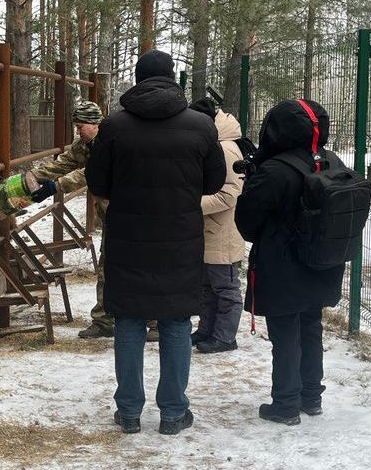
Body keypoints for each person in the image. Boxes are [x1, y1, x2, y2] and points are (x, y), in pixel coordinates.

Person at [85, 49, 225, 435]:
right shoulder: (200, 125)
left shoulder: (113, 126)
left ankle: (129, 411)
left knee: (128, 320)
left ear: (137, 78)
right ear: (174, 81)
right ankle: (173, 412)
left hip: (128, 239)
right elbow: (214, 183)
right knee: (176, 321)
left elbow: (97, 183)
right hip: (180, 239)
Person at [234, 99, 346, 426]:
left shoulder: (274, 170)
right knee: (311, 326)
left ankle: (284, 404)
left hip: (282, 265)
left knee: (285, 334)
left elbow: (247, 223)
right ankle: (311, 397)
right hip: (322, 262)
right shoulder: (331, 162)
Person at [33, 100, 115, 339]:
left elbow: (90, 172)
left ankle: (153, 321)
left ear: (95, 124)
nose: (78, 131)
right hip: (110, 215)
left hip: (127, 214)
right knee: (107, 267)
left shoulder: (110, 143)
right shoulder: (84, 145)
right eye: (76, 126)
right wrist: (32, 177)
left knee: (134, 267)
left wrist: (56, 186)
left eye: (81, 126)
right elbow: (65, 163)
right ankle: (105, 321)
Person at [187, 97, 245, 354]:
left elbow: (230, 194)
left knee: (225, 288)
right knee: (207, 287)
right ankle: (207, 330)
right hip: (207, 230)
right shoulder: (211, 144)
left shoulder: (226, 149)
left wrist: (190, 203)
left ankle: (225, 336)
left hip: (222, 231)